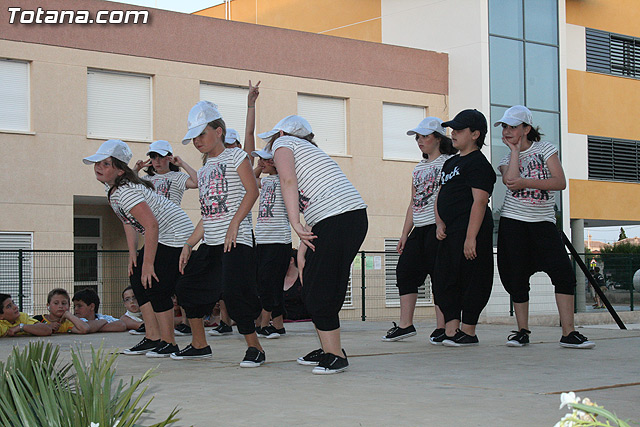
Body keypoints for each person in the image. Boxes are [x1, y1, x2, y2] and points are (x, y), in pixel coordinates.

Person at [263, 115, 368, 374]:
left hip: (338, 218)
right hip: (342, 218)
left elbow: (288, 182)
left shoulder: (283, 144)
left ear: (281, 134)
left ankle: (335, 355)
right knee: (316, 284)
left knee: (320, 289)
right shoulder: (310, 153)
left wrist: (294, 223)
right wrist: (302, 250)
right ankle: (329, 347)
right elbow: (315, 207)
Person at [172, 100, 265, 367]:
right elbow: (209, 213)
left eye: (202, 134)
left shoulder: (236, 157)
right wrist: (189, 243)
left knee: (236, 295)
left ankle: (255, 348)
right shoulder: (203, 171)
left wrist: (235, 223)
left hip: (236, 241)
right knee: (187, 287)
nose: (197, 141)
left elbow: (252, 191)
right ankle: (199, 345)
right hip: (211, 243)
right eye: (194, 137)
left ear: (219, 131)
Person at [495, 105, 595, 349]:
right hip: (513, 222)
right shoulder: (506, 158)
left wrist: (526, 181)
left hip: (543, 223)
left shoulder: (545, 149)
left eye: (513, 126)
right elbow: (510, 181)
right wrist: (515, 151)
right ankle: (522, 331)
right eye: (505, 126)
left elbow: (559, 182)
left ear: (526, 128)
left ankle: (569, 333)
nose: (507, 131)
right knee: (517, 277)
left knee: (563, 274)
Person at [83, 139, 194, 357]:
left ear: (120, 170)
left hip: (176, 233)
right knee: (137, 278)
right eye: (98, 163)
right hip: (161, 233)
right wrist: (133, 254)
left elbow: (151, 225)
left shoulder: (126, 191)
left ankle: (168, 342)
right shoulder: (112, 189)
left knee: (155, 283)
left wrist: (149, 264)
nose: (98, 167)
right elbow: (128, 221)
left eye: (106, 163)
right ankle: (152, 337)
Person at [382, 117, 456, 344]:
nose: (420, 141)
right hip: (420, 227)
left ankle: (442, 326)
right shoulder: (418, 168)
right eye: (418, 137)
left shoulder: (448, 163)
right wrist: (404, 234)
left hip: (438, 228)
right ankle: (405, 325)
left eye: (425, 136)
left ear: (438, 138)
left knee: (439, 276)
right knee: (405, 271)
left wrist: (442, 223)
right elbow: (413, 202)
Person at [433, 109, 496, 347]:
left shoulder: (479, 163)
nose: (453, 133)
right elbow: (441, 194)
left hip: (471, 230)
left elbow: (479, 201)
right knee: (444, 278)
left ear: (475, 134)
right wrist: (440, 222)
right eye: (453, 129)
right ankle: (451, 330)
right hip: (449, 232)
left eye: (459, 130)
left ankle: (468, 331)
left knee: (473, 279)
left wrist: (471, 238)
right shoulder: (450, 162)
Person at [252, 148, 291, 339]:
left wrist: (278, 164)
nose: (260, 162)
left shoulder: (285, 180)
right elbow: (249, 180)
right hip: (262, 238)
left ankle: (264, 323)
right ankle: (278, 325)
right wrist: (260, 167)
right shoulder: (266, 181)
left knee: (270, 282)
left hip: (278, 239)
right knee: (267, 282)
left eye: (264, 160)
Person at [133, 140, 198, 206]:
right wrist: (135, 170)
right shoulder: (146, 179)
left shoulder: (177, 177)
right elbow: (130, 190)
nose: (157, 161)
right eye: (153, 157)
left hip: (172, 212)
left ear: (170, 157)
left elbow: (198, 183)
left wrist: (182, 163)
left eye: (161, 156)